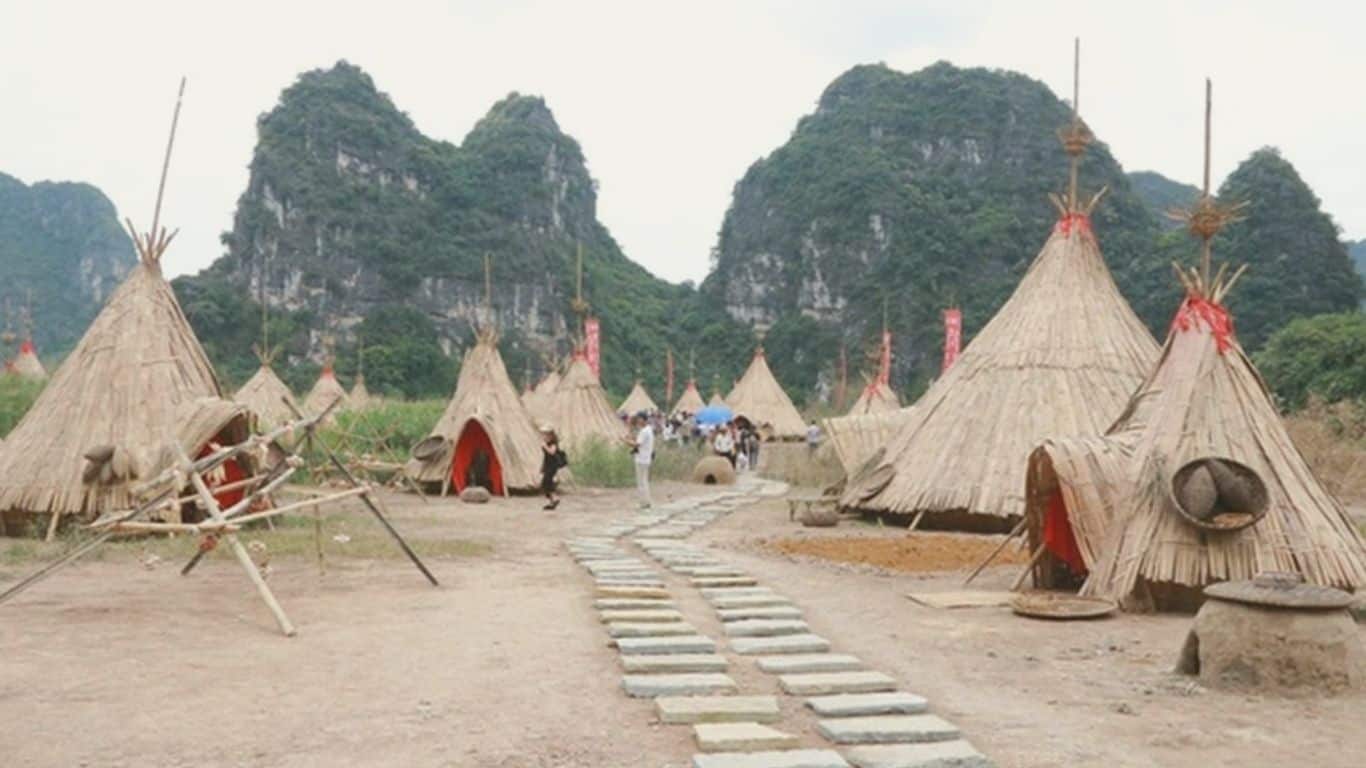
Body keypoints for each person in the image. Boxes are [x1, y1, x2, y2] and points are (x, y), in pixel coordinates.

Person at [624, 412, 654, 508]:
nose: (637, 420)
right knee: (644, 481)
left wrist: (625, 441)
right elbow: (638, 441)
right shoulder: (648, 429)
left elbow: (637, 444)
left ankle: (643, 503)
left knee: (641, 482)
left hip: (641, 459)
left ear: (642, 419)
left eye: (639, 418)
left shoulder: (644, 431)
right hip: (645, 458)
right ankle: (646, 501)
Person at [539, 425, 567, 510]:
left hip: (552, 466)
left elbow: (552, 452)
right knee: (546, 483)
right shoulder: (547, 443)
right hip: (548, 465)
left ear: (550, 435)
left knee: (546, 482)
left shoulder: (553, 443)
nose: (544, 436)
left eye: (545, 434)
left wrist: (545, 446)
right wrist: (542, 466)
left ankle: (554, 498)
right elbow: (546, 456)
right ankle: (552, 501)